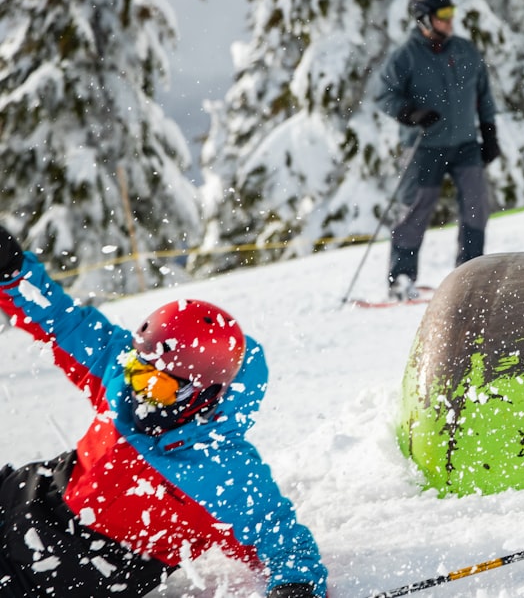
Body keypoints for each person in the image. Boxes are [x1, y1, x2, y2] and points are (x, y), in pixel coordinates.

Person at [0, 226, 327, 598]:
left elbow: (285, 544)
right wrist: (12, 272)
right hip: (24, 496)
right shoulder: (122, 371)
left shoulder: (224, 471)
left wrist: (295, 586)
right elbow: (63, 322)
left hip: (64, 572)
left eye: (159, 387)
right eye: (139, 374)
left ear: (203, 394)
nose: (140, 395)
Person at [375, 0, 503, 300]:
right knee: (416, 210)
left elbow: (483, 94)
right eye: (443, 15)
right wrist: (410, 113)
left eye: (451, 13)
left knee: (476, 204)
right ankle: (401, 278)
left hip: (464, 143)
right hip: (425, 147)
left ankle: (470, 274)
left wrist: (489, 133)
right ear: (424, 19)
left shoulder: (465, 50)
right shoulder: (405, 56)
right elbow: (383, 95)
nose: (450, 20)